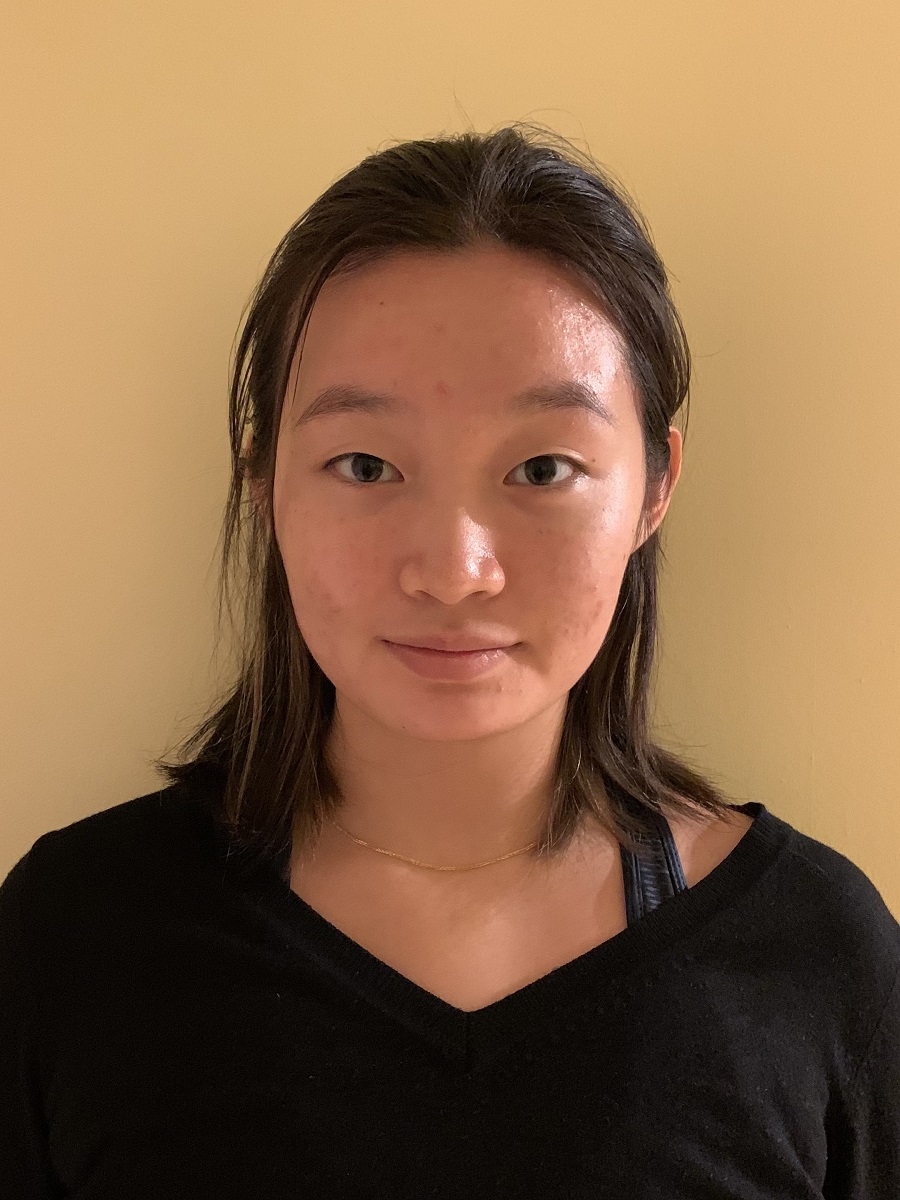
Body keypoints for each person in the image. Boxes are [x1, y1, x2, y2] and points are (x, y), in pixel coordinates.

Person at [1, 123, 898, 1198]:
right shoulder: (78, 934)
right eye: (365, 465)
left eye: (544, 468)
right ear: (264, 479)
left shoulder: (816, 958)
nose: (454, 571)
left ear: (655, 487)